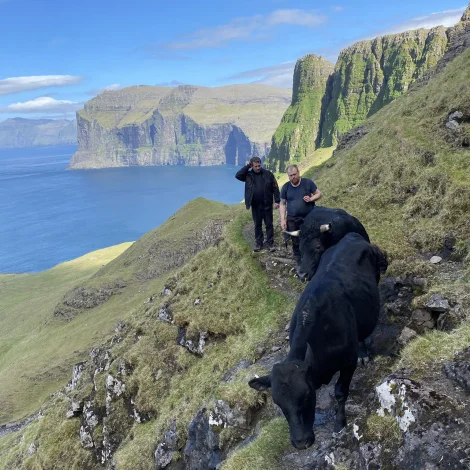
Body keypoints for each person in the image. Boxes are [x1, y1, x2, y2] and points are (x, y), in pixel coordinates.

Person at [235, 156, 280, 252]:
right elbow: (238, 175)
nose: (258, 168)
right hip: (255, 206)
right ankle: (259, 243)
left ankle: (270, 243)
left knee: (269, 224)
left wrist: (277, 201)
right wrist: (247, 166)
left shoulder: (268, 174)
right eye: (255, 166)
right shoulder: (248, 175)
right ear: (252, 165)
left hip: (267, 205)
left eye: (259, 165)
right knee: (257, 224)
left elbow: (275, 188)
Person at [280, 164, 322, 263]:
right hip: (292, 219)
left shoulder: (308, 183)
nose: (293, 177)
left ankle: (311, 258)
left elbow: (319, 194)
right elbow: (282, 204)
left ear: (298, 172)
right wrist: (282, 219)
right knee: (295, 240)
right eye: (290, 175)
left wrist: (311, 198)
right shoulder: (285, 187)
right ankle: (298, 260)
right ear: (288, 176)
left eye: (294, 174)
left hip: (308, 217)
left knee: (310, 237)